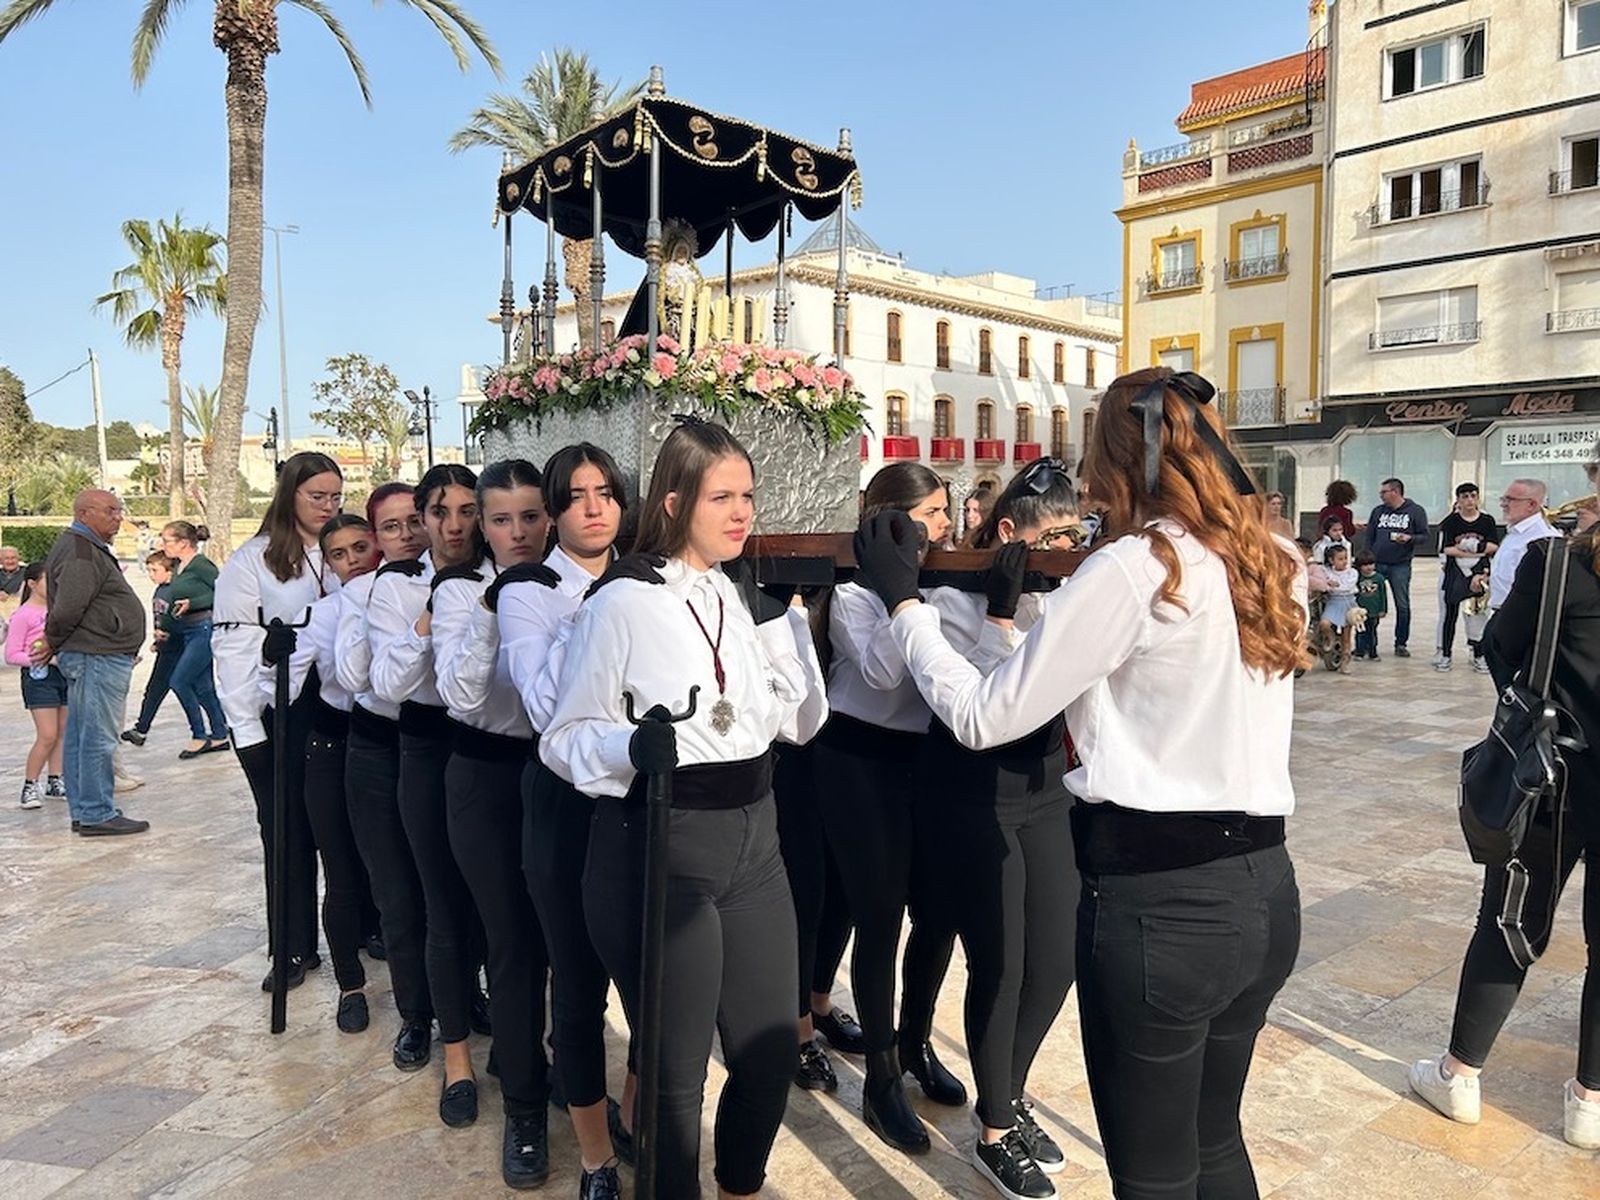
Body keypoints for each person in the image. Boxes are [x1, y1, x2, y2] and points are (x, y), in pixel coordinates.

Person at [854, 366, 1305, 1200]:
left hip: (1162, 905)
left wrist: (907, 608)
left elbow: (989, 715)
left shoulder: (1137, 567)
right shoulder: (1273, 557)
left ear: (1119, 459)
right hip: (1266, 892)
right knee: (1216, 1142)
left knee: (1155, 1173)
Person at [541, 420, 829, 1200]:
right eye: (723, 497)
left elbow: (798, 722)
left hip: (756, 845)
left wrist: (789, 629)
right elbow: (563, 737)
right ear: (675, 500)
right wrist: (630, 749)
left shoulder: (737, 596)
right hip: (662, 845)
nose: (742, 512)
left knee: (769, 1054)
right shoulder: (621, 603)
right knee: (673, 1079)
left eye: (748, 495)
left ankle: (739, 1187)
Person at [921, 457, 1082, 1199]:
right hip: (973, 790)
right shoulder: (950, 595)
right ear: (1011, 530)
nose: (1065, 547)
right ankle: (992, 1134)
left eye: (1076, 533)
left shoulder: (1071, 591)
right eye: (1054, 534)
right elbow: (976, 707)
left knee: (1055, 958)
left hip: (1048, 787)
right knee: (1003, 962)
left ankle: (1007, 1096)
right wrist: (1001, 615)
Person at [1408, 531, 1600, 1151]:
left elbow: (1499, 645)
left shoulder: (1558, 563)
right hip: (1563, 781)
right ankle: (1591, 1101)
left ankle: (1460, 1074)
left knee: (1510, 924)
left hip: (1553, 777)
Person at [497, 442, 635, 1199]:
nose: (593, 507)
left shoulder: (649, 578)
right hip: (562, 803)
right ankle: (594, 1161)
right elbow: (549, 707)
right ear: (553, 510)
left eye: (606, 491)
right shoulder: (527, 590)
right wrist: (609, 610)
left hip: (638, 805)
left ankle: (635, 1115)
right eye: (577, 494)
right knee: (577, 990)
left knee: (652, 989)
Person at [817, 461, 964, 1156]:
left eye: (945, 512)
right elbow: (882, 671)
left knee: (936, 914)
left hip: (925, 761)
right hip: (858, 759)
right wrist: (905, 593)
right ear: (891, 521)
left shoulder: (938, 584)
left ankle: (914, 1044)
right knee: (877, 920)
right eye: (932, 513)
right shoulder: (852, 594)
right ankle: (879, 1076)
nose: (944, 525)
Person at [430, 459, 555, 1188]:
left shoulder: (579, 580)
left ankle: (558, 1067)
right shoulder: (458, 591)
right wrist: (491, 608)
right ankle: (525, 1111)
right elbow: (459, 690)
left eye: (531, 516)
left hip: (564, 774)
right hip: (483, 772)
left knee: (565, 940)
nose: (517, 533)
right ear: (481, 520)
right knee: (508, 940)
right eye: (501, 518)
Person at [369, 463, 490, 1127]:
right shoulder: (396, 588)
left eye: (467, 510)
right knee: (435, 897)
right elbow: (386, 681)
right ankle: (453, 1053)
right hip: (423, 743)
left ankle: (486, 1013)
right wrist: (430, 612)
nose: (451, 526)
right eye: (437, 512)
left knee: (497, 901)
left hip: (491, 748)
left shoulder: (503, 577)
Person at [214, 452, 344, 988]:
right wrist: (248, 731)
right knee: (285, 830)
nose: (328, 506)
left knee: (342, 826)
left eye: (336, 496)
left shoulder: (346, 551)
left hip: (338, 709)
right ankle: (291, 946)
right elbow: (234, 645)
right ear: (290, 493)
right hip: (281, 711)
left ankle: (359, 930)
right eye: (318, 496)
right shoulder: (253, 561)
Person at [334, 482, 435, 1072]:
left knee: (445, 888)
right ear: (375, 536)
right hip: (376, 748)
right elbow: (355, 675)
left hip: (431, 744)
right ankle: (415, 1014)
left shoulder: (454, 578)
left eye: (411, 522)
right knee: (397, 891)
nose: (404, 536)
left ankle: (460, 996)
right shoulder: (362, 592)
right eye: (390, 527)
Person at [288, 514, 381, 1033]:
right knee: (341, 872)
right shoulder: (322, 613)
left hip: (381, 745)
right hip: (329, 745)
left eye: (359, 548)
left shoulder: (400, 592)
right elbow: (285, 675)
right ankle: (351, 984)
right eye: (338, 554)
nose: (351, 561)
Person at [37, 489, 150, 836]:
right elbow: (69, 606)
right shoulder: (81, 552)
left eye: (119, 510)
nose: (118, 517)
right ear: (85, 514)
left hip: (96, 654)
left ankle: (85, 809)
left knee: (81, 736)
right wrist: (52, 640)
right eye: (110, 511)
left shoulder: (85, 547)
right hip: (96, 656)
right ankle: (97, 812)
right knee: (97, 738)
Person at [158, 521, 231, 757]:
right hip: (187, 630)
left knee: (178, 681)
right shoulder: (180, 566)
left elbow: (224, 591)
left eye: (167, 540)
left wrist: (195, 603)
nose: (163, 544)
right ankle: (219, 734)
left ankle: (199, 735)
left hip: (203, 628)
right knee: (203, 686)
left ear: (183, 543)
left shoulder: (201, 565)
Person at [6, 563, 67, 810]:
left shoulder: (59, 610)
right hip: (39, 678)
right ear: (32, 584)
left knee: (62, 731)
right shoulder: (23, 614)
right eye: (47, 580)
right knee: (47, 734)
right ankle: (30, 784)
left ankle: (56, 779)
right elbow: (11, 654)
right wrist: (41, 659)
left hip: (64, 674)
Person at [1434, 483, 1498, 673]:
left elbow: (1493, 546)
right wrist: (1471, 551)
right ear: (1458, 500)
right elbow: (1446, 548)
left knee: (1477, 615)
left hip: (1479, 573)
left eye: (1473, 496)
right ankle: (1446, 654)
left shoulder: (1487, 521)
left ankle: (1478, 655)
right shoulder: (1451, 522)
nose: (1469, 500)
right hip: (1455, 572)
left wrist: (1475, 551)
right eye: (1465, 496)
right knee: (1449, 615)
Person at [1365, 477, 1428, 657]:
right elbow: (1370, 536)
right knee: (1369, 602)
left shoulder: (1415, 511)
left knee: (1402, 604)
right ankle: (1368, 643)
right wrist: (1366, 559)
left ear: (1395, 492)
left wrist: (1410, 539)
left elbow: (1424, 536)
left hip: (1400, 564)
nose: (1381, 496)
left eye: (1384, 492)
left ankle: (1401, 642)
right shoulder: (1378, 512)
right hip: (1377, 563)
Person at [123, 551, 180, 745]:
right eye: (149, 570)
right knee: (156, 689)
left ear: (169, 570)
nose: (151, 574)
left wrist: (169, 634)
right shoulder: (159, 591)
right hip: (165, 647)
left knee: (193, 691)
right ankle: (141, 728)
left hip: (179, 648)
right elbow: (160, 618)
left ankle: (217, 727)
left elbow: (180, 619)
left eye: (155, 570)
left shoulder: (176, 590)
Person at [1489, 478, 1558, 612]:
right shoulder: (1514, 532)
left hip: (1519, 614)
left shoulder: (1543, 537)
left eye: (1510, 500)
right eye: (1503, 499)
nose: (1503, 505)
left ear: (1531, 505)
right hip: (1500, 612)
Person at [1317, 544, 1358, 674]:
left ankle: (1345, 663)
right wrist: (1326, 584)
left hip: (1348, 602)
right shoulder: (1326, 571)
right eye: (1340, 559)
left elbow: (1347, 586)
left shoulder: (1352, 572)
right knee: (1324, 623)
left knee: (1347, 635)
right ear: (1331, 560)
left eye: (1346, 558)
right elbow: (1320, 580)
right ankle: (1331, 637)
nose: (1344, 561)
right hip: (1333, 602)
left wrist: (1331, 585)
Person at [1353, 552, 1387, 661]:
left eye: (1371, 564)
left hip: (1374, 611)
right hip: (1360, 612)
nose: (1369, 567)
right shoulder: (1357, 578)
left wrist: (1383, 609)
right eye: (1365, 565)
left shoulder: (1379, 578)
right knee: (1360, 632)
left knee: (1372, 632)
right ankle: (1359, 652)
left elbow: (1383, 595)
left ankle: (1373, 652)